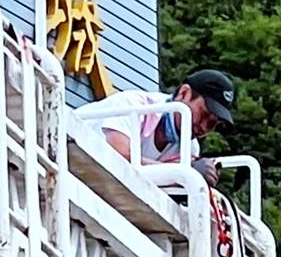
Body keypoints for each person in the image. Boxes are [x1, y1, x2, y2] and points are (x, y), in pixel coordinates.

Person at [93, 67, 236, 177]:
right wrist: (183, 172)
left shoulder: (190, 148)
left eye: (212, 124)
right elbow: (118, 157)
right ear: (184, 93)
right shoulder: (133, 105)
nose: (204, 127)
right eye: (203, 114)